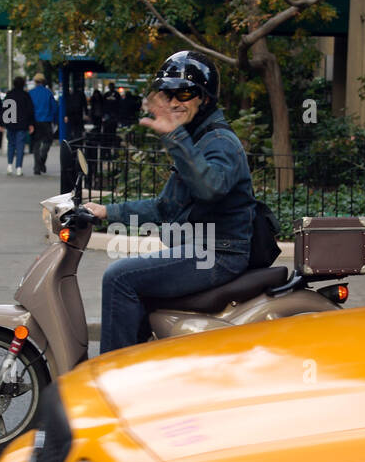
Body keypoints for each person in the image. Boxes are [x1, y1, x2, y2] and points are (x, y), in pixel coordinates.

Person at [84, 51, 253, 353]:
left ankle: (110, 375)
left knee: (119, 277)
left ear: (204, 98)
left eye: (185, 93)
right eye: (168, 93)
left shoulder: (219, 142)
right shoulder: (197, 139)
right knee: (135, 281)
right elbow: (166, 207)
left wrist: (175, 137)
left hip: (219, 251)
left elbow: (210, 188)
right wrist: (106, 211)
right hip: (203, 246)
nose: (175, 102)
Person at [3, 76, 35, 176]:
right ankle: (19, 168)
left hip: (10, 123)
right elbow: (30, 111)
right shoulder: (25, 95)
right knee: (20, 145)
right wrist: (31, 124)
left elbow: (4, 109)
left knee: (11, 144)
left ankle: (9, 165)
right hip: (22, 124)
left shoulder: (9, 94)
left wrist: (3, 123)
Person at [28, 73, 57, 175]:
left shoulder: (31, 93)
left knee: (36, 144)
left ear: (35, 82)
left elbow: (29, 109)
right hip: (46, 121)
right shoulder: (48, 93)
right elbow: (54, 108)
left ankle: (37, 166)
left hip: (35, 122)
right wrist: (55, 120)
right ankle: (42, 159)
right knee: (47, 142)